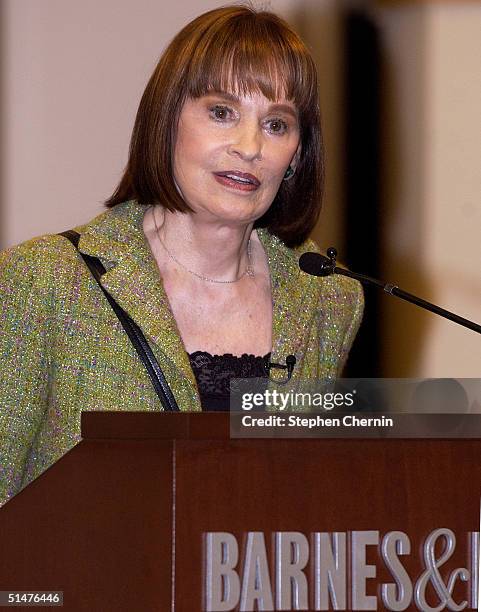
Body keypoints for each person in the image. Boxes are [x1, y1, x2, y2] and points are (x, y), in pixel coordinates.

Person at [0, 5, 363, 506]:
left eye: (277, 125)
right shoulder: (43, 281)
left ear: (298, 156)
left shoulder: (327, 299)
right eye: (221, 113)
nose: (250, 146)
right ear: (168, 119)